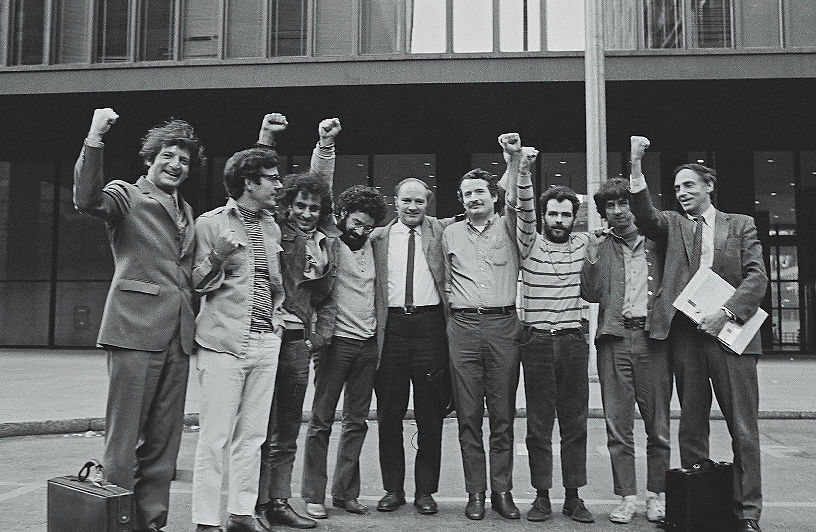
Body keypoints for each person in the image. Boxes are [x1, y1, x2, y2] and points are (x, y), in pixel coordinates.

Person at [73, 108, 205, 531]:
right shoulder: (126, 195)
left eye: (184, 160)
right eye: (168, 155)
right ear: (151, 158)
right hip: (134, 329)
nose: (176, 165)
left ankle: (150, 522)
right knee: (124, 438)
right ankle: (116, 522)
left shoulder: (187, 211)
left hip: (179, 335)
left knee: (165, 442)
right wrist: (95, 138)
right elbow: (87, 199)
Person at [629, 136, 767, 532]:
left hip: (731, 336)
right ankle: (695, 507)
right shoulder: (672, 225)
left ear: (709, 186)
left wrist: (724, 313)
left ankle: (748, 513)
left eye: (690, 185)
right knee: (691, 424)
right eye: (677, 188)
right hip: (686, 337)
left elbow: (757, 278)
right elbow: (643, 214)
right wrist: (637, 161)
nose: (683, 193)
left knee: (743, 425)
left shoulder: (740, 225)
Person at [190, 128, 287, 531]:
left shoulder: (272, 226)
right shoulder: (209, 224)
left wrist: (278, 323)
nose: (279, 185)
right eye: (272, 179)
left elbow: (270, 281)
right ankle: (206, 520)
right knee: (213, 439)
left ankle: (241, 513)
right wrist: (218, 257)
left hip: (266, 340)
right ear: (249, 183)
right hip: (224, 343)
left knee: (253, 437)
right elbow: (196, 282)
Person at [500, 133, 594, 524]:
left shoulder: (587, 244)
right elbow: (521, 210)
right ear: (544, 216)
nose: (559, 221)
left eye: (565, 214)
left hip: (573, 342)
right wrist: (523, 168)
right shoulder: (529, 244)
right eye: (552, 214)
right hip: (536, 343)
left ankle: (573, 497)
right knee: (539, 426)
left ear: (574, 217)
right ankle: (541, 496)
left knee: (575, 425)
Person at [256, 118, 342, 530]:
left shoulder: (325, 240)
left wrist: (316, 340)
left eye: (315, 208)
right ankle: (249, 503)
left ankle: (278, 502)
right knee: (256, 427)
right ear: (287, 207)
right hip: (263, 338)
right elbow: (255, 180)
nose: (308, 213)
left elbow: (325, 300)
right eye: (301, 206)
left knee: (287, 429)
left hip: (296, 345)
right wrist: (269, 140)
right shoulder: (276, 227)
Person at [580, 178, 671, 524]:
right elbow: (590, 293)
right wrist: (590, 253)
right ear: (604, 211)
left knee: (658, 425)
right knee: (617, 425)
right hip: (615, 339)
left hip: (654, 340)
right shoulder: (602, 245)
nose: (617, 211)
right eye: (610, 206)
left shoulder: (659, 240)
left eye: (623, 203)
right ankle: (626, 497)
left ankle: (656, 496)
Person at [301, 185, 388, 519]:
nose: (360, 230)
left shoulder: (376, 245)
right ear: (342, 216)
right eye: (355, 222)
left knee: (357, 422)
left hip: (368, 345)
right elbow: (321, 183)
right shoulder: (331, 243)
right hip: (335, 343)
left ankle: (345, 492)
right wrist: (326, 145)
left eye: (367, 225)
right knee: (321, 421)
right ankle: (313, 494)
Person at [442, 166, 521, 521]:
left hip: (504, 324)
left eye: (480, 192)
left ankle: (502, 491)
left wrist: (514, 161)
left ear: (494, 196)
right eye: (467, 193)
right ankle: (475, 493)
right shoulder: (449, 233)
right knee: (468, 416)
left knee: (502, 415)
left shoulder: (511, 226)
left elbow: (519, 199)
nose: (474, 198)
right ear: (461, 200)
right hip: (462, 326)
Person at [370, 178, 453, 515]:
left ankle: (425, 492)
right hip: (391, 329)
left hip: (430, 327)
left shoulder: (441, 230)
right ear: (395, 201)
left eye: (419, 201)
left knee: (429, 415)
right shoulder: (378, 238)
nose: (413, 207)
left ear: (428, 202)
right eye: (407, 201)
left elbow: (486, 212)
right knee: (389, 413)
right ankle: (393, 489)